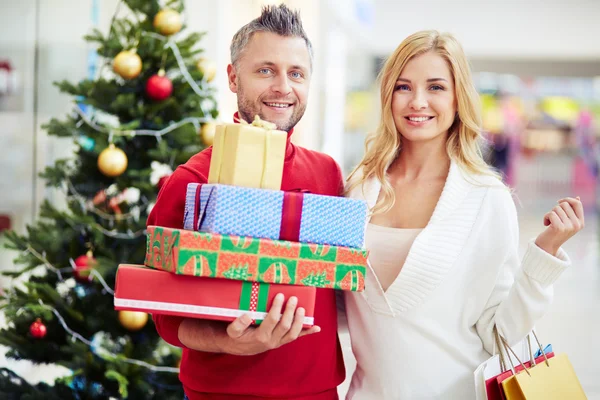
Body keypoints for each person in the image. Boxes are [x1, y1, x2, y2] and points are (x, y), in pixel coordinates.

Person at [342, 30, 584, 399]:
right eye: (404, 87)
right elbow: (338, 307)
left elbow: (498, 331)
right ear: (388, 95)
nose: (417, 101)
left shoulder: (486, 199)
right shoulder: (358, 189)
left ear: (458, 99)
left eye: (436, 87)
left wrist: (545, 253)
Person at [147, 5, 345, 400]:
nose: (283, 87)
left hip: (316, 391)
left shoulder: (328, 174)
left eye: (296, 73)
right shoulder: (191, 180)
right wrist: (229, 342)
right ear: (234, 78)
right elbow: (165, 316)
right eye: (266, 70)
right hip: (220, 393)